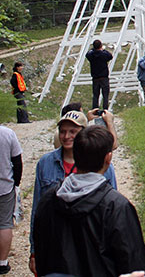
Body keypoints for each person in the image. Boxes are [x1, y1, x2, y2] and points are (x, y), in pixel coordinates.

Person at [33, 126, 145, 277]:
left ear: (75, 154)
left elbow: (42, 253)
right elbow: (134, 264)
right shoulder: (116, 206)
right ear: (108, 158)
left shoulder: (48, 200)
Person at [29, 110, 118, 274]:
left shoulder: (102, 165)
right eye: (62, 131)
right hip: (55, 242)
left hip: (91, 244)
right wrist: (34, 251)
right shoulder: (45, 163)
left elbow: (112, 208)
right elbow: (38, 209)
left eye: (73, 132)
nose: (66, 136)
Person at [0, 126, 21, 275]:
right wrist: (16, 183)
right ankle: (2, 262)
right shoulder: (7, 133)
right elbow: (17, 161)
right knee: (5, 224)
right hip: (4, 186)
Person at [85, 39, 113, 110]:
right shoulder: (103, 54)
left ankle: (95, 109)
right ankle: (105, 109)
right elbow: (110, 56)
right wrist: (103, 50)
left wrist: (93, 49)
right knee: (105, 95)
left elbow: (87, 54)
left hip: (95, 77)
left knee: (95, 95)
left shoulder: (91, 55)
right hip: (104, 77)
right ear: (100, 46)